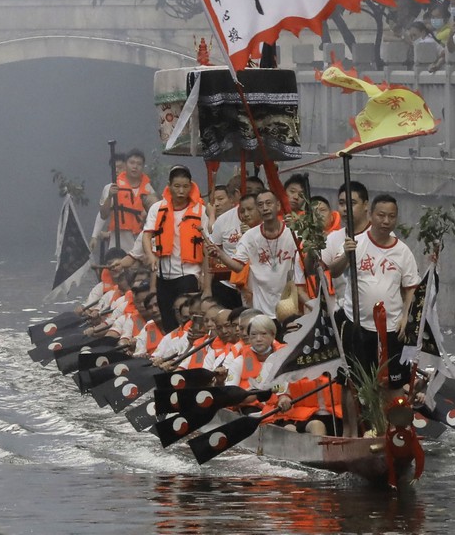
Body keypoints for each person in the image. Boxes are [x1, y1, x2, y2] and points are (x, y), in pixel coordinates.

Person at [326, 194, 420, 400]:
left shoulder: (403, 251)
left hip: (391, 327)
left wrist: (406, 316)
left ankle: (390, 427)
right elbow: (333, 272)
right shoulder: (355, 243)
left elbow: (411, 287)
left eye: (391, 216)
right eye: (381, 215)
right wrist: (345, 255)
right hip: (357, 323)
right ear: (371, 215)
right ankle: (353, 431)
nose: (386, 221)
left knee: (393, 383)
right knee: (353, 384)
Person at [208, 189, 309, 323]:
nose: (265, 208)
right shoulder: (249, 237)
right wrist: (220, 255)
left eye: (268, 203)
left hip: (289, 306)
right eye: (260, 205)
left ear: (278, 206)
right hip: (261, 308)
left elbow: (307, 267)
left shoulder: (294, 234)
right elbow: (237, 267)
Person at [143, 166, 208, 330]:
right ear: (169, 185)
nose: (181, 191)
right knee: (168, 319)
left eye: (185, 187)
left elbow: (207, 245)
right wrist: (151, 257)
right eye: (177, 186)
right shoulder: (157, 208)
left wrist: (205, 275)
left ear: (191, 186)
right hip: (163, 275)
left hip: (189, 273)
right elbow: (147, 235)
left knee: (188, 318)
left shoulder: (200, 210)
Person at [99, 149, 155, 253]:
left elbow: (156, 217)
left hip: (140, 240)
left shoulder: (148, 189)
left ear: (142, 167)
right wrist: (110, 196)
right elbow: (103, 215)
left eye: (139, 164)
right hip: (118, 241)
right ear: (126, 165)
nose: (135, 167)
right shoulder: (112, 187)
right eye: (132, 163)